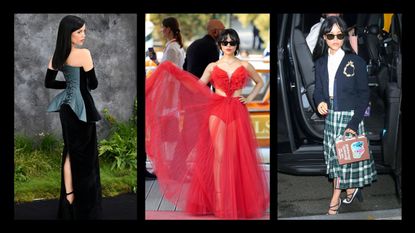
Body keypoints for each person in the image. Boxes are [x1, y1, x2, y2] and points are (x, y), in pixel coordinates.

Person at [146, 29, 269, 219]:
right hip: (217, 111)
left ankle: (234, 199)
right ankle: (220, 201)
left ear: (236, 45)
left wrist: (249, 98)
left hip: (237, 110)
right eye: (225, 42)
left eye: (232, 42)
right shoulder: (212, 66)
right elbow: (198, 85)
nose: (229, 45)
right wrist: (177, 74)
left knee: (235, 155)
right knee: (219, 156)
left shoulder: (245, 64)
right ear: (220, 44)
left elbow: (260, 82)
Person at [313, 16, 377, 215]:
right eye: (330, 35)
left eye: (339, 35)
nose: (335, 39)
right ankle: (350, 188)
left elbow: (364, 94)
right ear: (324, 37)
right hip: (331, 116)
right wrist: (320, 102)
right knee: (335, 159)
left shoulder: (355, 61)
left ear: (344, 37)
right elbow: (319, 90)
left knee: (343, 159)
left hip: (350, 116)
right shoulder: (321, 62)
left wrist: (354, 122)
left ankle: (335, 198)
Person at [45, 15, 102, 219]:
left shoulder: (57, 56)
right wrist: (80, 84)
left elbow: (49, 83)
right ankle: (86, 205)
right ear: (68, 34)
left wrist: (69, 85)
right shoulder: (84, 54)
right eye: (79, 32)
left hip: (67, 109)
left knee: (70, 151)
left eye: (84, 31)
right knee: (86, 157)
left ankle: (69, 197)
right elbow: (93, 84)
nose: (83, 35)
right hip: (82, 109)